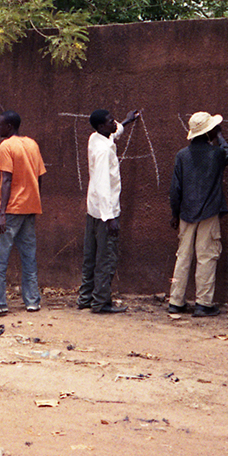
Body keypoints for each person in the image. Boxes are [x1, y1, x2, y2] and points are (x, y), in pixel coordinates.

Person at [167, 111, 228, 317]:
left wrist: (175, 214)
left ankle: (176, 301)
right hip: (209, 212)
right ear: (210, 132)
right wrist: (220, 136)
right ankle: (203, 303)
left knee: (183, 256)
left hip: (185, 213)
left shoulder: (182, 155)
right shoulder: (217, 154)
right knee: (206, 256)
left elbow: (174, 190)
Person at [0, 111, 46, 317]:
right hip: (30, 207)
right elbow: (39, 177)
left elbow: (6, 180)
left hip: (12, 209)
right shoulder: (32, 144)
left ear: (9, 126)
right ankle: (32, 301)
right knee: (28, 256)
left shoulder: (6, 146)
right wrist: (34, 200)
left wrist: (2, 213)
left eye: (0, 125)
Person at [77, 108, 141, 314]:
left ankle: (85, 298)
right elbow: (104, 185)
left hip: (93, 209)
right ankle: (101, 302)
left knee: (91, 255)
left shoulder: (95, 138)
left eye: (113, 119)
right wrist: (110, 218)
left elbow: (113, 133)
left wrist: (126, 122)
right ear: (100, 127)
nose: (113, 123)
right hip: (105, 212)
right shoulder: (104, 151)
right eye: (109, 121)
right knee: (106, 257)